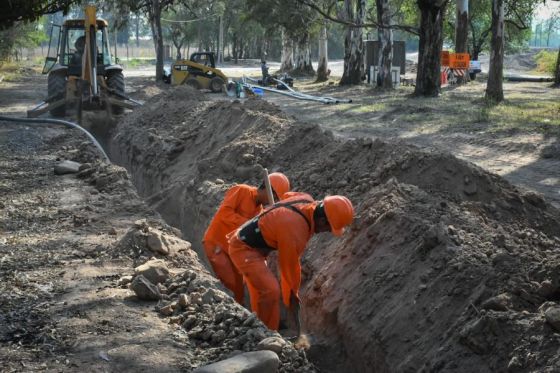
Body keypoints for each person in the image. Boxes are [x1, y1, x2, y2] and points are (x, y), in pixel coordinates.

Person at [227, 194, 354, 330]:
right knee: (271, 290)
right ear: (322, 220)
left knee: (262, 291)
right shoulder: (295, 230)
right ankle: (264, 334)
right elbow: (288, 267)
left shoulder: (306, 199)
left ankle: (263, 321)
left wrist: (276, 223)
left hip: (252, 238)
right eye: (328, 228)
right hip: (243, 249)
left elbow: (287, 195)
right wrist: (292, 296)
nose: (326, 232)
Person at [202, 173, 291, 304]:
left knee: (238, 289)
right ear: (266, 188)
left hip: (233, 251)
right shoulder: (242, 190)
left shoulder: (260, 212)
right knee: (230, 283)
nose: (271, 202)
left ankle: (240, 318)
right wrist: (249, 223)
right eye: (274, 198)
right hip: (216, 244)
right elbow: (224, 213)